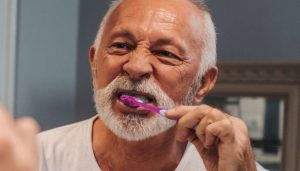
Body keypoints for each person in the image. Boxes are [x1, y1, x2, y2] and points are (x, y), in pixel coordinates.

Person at [0, 0, 268, 170]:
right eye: (120, 46)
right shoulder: (32, 160)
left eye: (165, 53)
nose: (136, 66)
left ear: (203, 83)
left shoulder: (232, 168)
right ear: (94, 63)